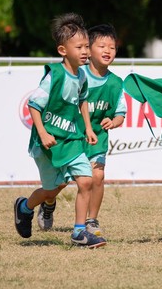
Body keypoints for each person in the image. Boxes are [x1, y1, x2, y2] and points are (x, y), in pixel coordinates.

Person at [13, 13, 104, 248]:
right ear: (63, 50)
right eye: (79, 47)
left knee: (86, 181)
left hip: (72, 139)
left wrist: (87, 127)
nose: (85, 51)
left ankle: (79, 232)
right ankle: (24, 207)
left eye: (86, 46)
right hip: (48, 143)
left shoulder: (82, 75)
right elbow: (33, 105)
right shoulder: (53, 76)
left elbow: (82, 100)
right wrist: (42, 133)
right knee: (51, 191)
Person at [36, 24, 126, 237]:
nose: (107, 51)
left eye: (112, 47)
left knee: (97, 176)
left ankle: (91, 220)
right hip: (72, 137)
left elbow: (121, 114)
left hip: (97, 139)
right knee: (60, 183)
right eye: (101, 46)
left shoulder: (116, 83)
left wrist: (113, 121)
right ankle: (48, 204)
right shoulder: (77, 75)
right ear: (88, 50)